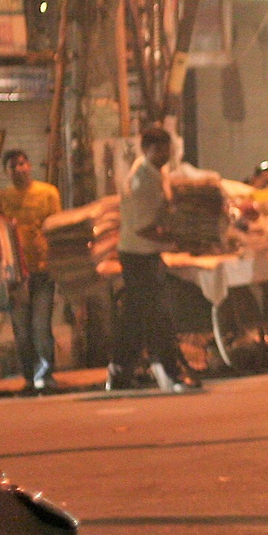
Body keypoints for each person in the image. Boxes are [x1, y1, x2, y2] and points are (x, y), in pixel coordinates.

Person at [111, 126, 196, 393]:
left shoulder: (153, 173)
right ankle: (169, 374)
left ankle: (119, 371)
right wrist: (177, 241)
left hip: (141, 253)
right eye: (160, 149)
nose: (165, 154)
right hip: (140, 256)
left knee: (134, 318)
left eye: (167, 148)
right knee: (158, 316)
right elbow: (144, 228)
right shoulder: (142, 181)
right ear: (147, 149)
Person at [0, 149, 61, 394]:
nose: (19, 169)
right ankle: (29, 378)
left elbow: (55, 227)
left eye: (22, 163)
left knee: (41, 326)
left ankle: (46, 375)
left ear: (30, 165)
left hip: (43, 270)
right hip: (16, 275)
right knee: (21, 329)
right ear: (7, 171)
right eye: (13, 166)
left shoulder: (48, 193)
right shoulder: (2, 198)